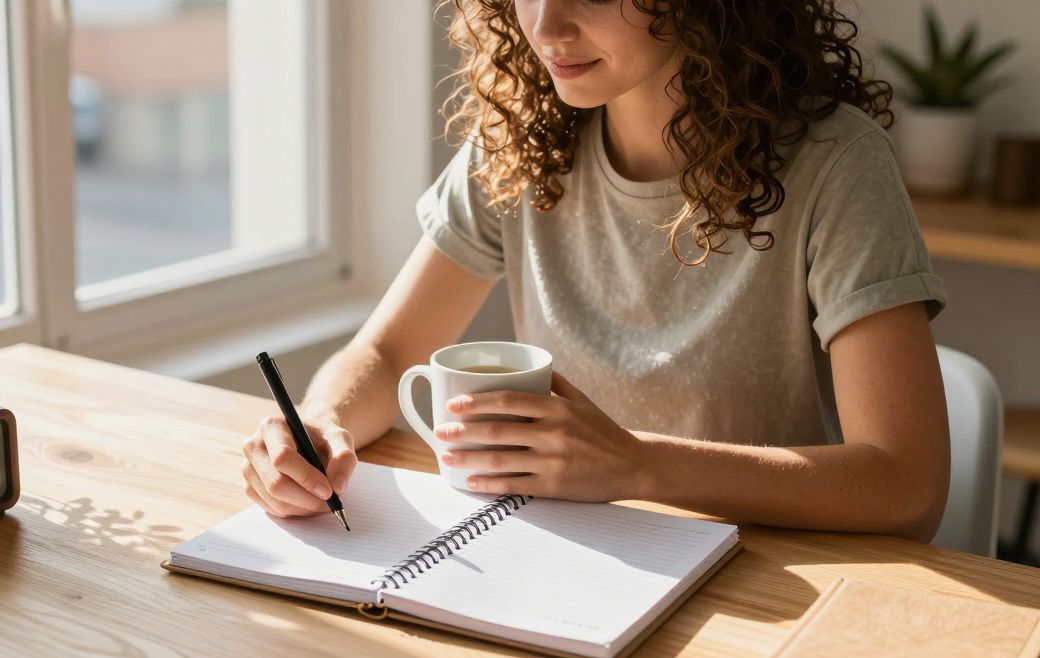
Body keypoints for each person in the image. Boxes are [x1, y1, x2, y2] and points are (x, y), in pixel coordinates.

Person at [240, 0, 950, 542]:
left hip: (755, 572)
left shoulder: (835, 164)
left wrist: (638, 465)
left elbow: (907, 485)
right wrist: (319, 421)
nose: (546, 26)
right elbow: (389, 353)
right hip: (562, 563)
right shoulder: (518, 143)